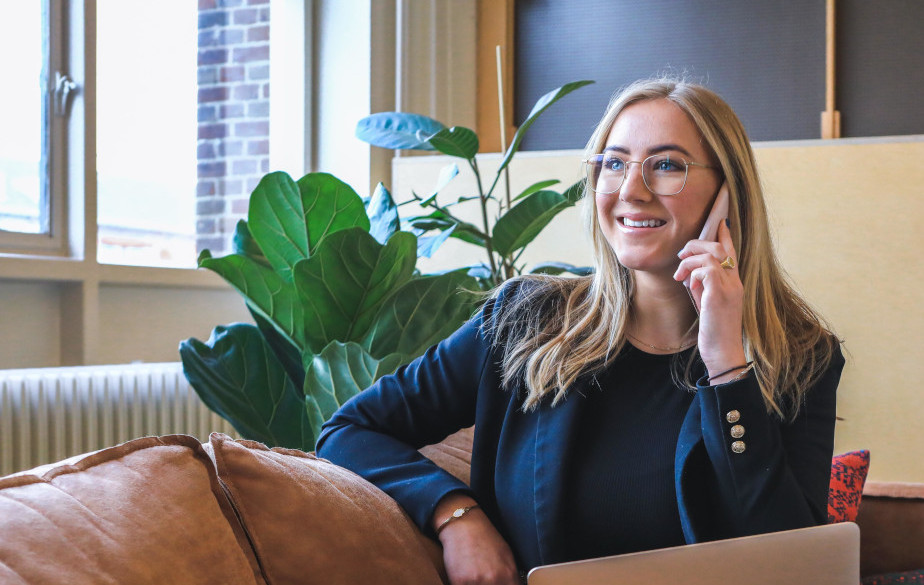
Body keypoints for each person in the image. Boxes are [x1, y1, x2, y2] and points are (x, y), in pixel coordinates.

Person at [316, 78, 845, 585]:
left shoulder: (800, 357)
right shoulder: (525, 320)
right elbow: (348, 431)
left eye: (666, 166)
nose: (631, 190)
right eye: (613, 163)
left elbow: (792, 562)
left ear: (729, 193)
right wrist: (456, 514)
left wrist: (728, 366)